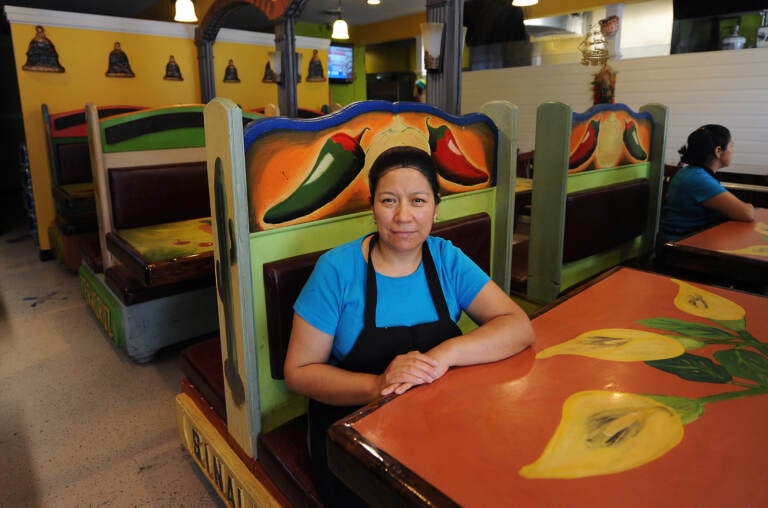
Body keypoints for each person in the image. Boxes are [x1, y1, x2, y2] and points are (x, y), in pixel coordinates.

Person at [284, 146, 534, 506]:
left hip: (437, 420)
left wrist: (442, 356)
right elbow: (299, 372)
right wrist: (377, 385)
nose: (403, 216)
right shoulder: (336, 271)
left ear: (436, 205)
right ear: (372, 206)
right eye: (389, 201)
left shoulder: (446, 258)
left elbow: (518, 325)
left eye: (418, 201)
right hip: (351, 436)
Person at [657, 124, 754, 256]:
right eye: (731, 145)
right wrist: (749, 206)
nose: (733, 150)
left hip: (682, 243)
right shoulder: (698, 179)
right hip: (678, 250)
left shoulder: (691, 172)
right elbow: (747, 213)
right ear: (718, 151)